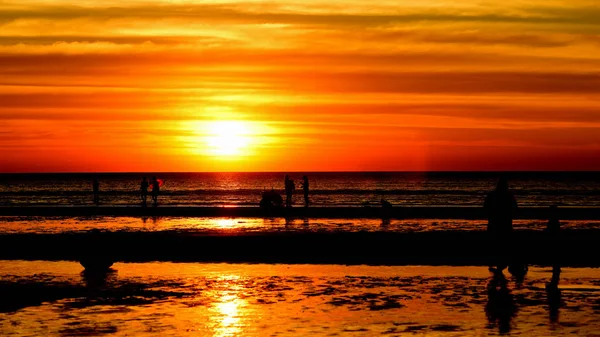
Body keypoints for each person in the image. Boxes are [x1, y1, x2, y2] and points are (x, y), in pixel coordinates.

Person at [484, 177, 518, 274]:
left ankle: (499, 267)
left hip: (496, 224)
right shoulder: (509, 196)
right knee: (503, 246)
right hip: (504, 224)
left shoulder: (492, 195)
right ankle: (500, 267)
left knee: (497, 246)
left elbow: (485, 208)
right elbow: (515, 209)